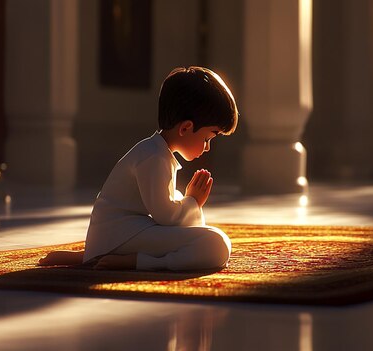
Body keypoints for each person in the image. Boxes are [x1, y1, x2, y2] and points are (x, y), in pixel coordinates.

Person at [39, 66, 238, 271]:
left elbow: (165, 215)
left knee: (214, 239)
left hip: (124, 233)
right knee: (218, 244)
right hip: (122, 234)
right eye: (207, 138)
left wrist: (187, 203)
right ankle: (138, 261)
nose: (207, 147)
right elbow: (166, 217)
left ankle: (96, 254)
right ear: (186, 128)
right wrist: (193, 201)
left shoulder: (157, 152)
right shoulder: (153, 157)